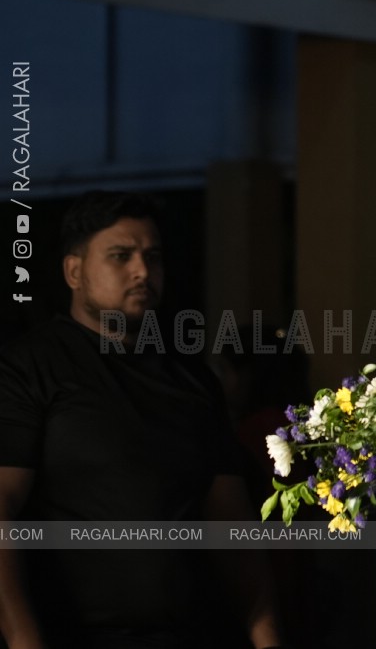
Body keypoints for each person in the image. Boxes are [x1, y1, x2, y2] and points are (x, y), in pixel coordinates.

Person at [0, 191, 283, 649]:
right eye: (120, 256)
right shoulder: (28, 369)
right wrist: (23, 639)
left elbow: (230, 521)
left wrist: (267, 635)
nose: (142, 271)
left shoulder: (192, 381)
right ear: (74, 271)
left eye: (153, 257)